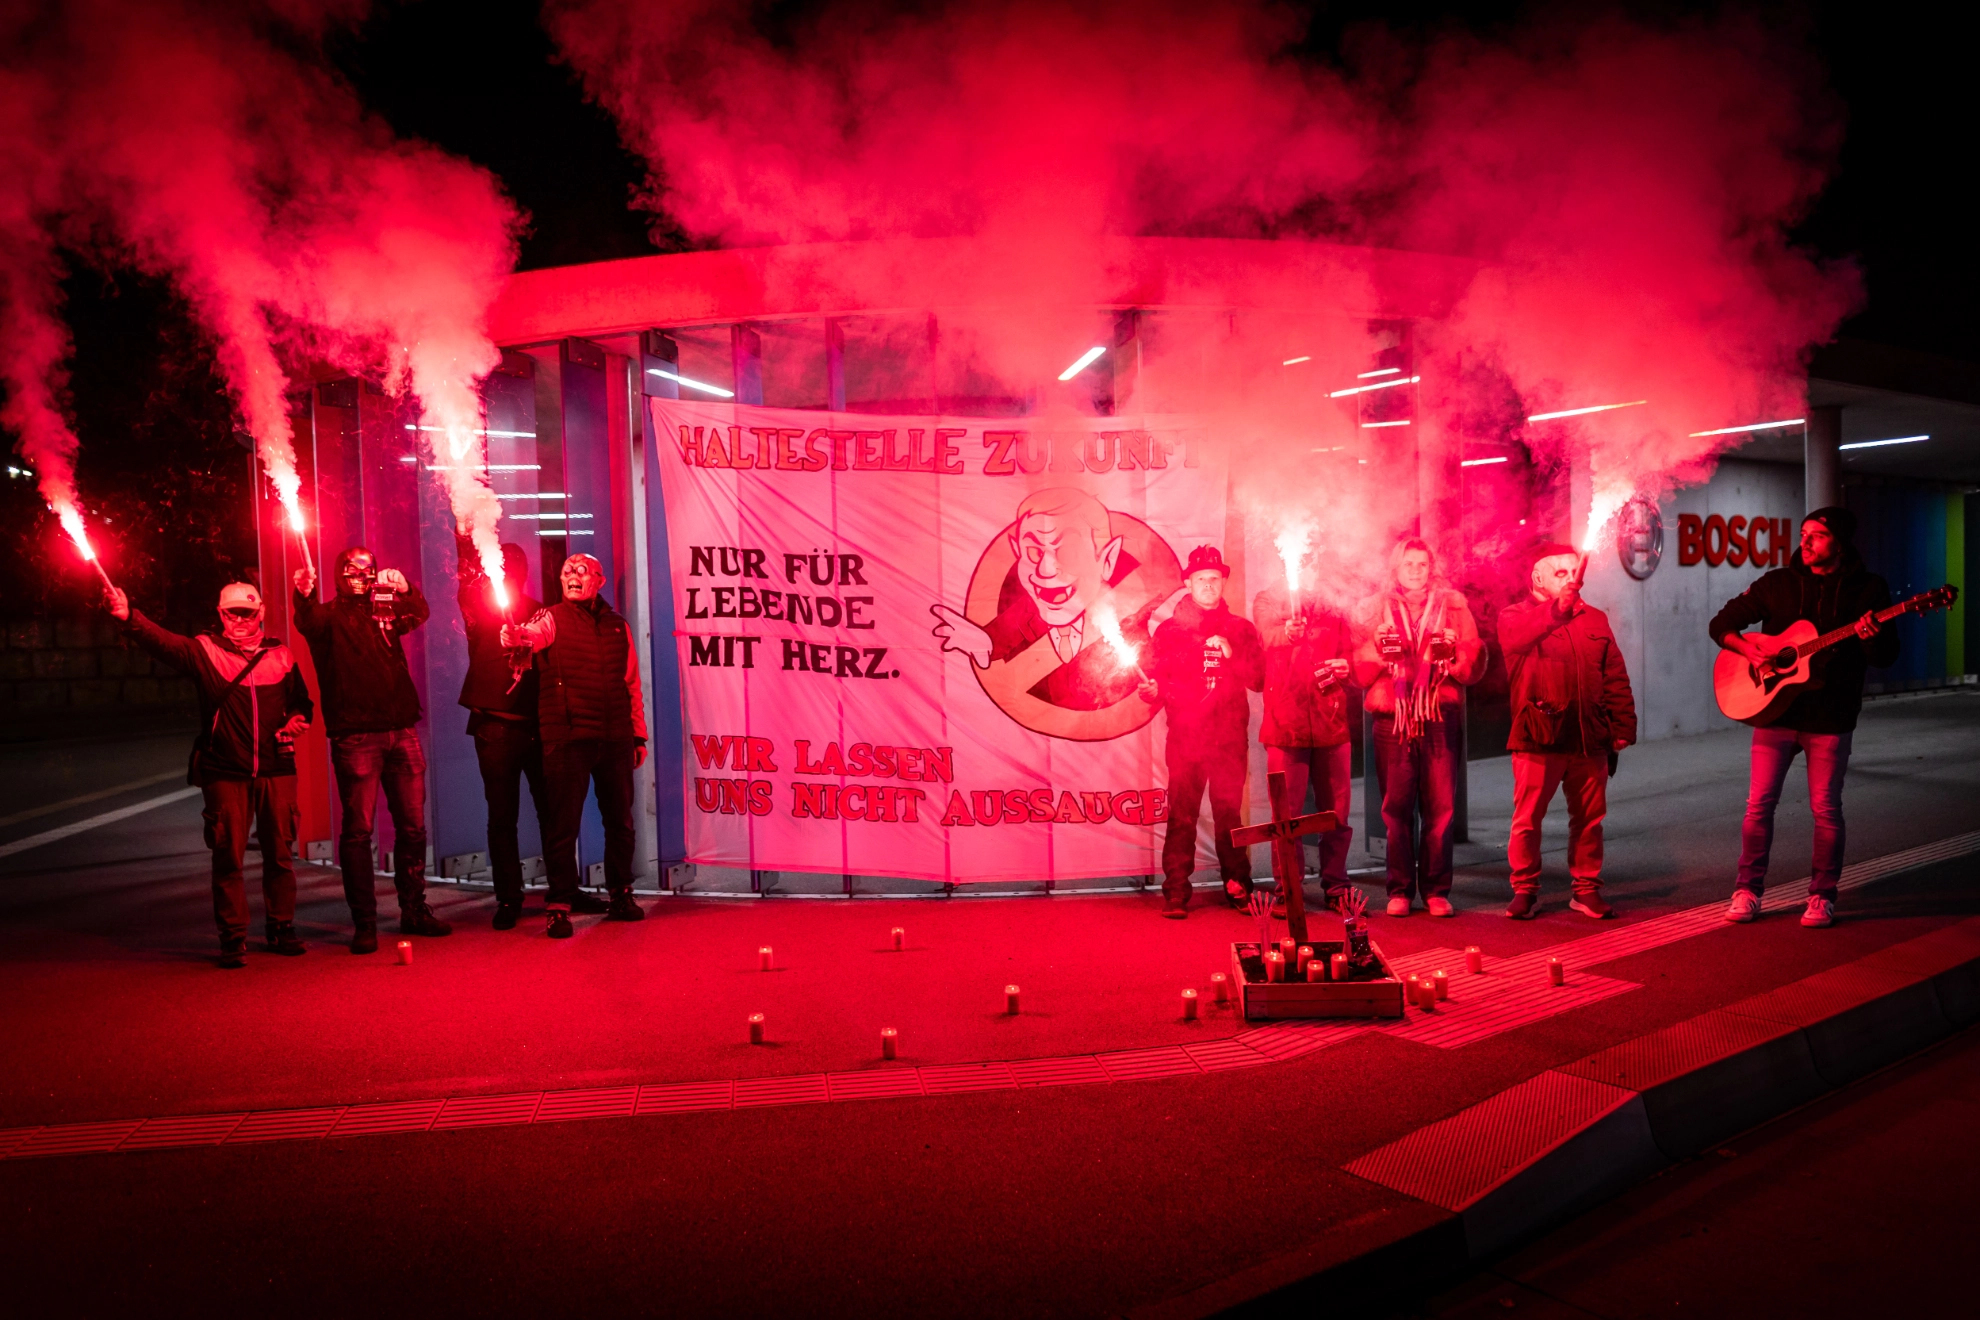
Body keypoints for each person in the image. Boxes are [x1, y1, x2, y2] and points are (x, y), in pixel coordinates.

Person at [105, 581, 314, 968]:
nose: (239, 619)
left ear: (261, 613)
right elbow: (164, 643)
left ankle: (282, 927)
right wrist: (129, 617)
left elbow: (301, 701)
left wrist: (298, 719)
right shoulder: (205, 650)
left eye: (246, 613)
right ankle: (233, 937)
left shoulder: (281, 655)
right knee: (227, 857)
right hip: (224, 770)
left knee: (280, 855)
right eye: (231, 612)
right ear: (220, 614)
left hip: (277, 768)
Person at [1710, 507, 1897, 928]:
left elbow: (1886, 657)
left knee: (1826, 809)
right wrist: (1747, 649)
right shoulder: (1777, 583)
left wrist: (1872, 637)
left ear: (1841, 542)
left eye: (1817, 535)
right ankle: (1747, 890)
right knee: (1758, 805)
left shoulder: (1867, 590)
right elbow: (1722, 623)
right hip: (1774, 713)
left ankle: (1822, 896)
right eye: (1803, 533)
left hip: (1830, 717)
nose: (1805, 542)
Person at [292, 546, 450, 953]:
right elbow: (306, 621)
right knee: (358, 831)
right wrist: (304, 592)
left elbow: (421, 613)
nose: (360, 573)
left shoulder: (386, 610)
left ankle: (414, 910)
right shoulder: (326, 615)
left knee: (413, 828)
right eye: (351, 567)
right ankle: (364, 922)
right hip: (357, 736)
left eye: (368, 567)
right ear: (338, 574)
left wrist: (406, 588)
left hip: (401, 729)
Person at [456, 535, 607, 930]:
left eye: (515, 566)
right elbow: (464, 580)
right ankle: (509, 897)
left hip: (540, 728)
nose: (509, 573)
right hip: (494, 728)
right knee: (502, 815)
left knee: (555, 815)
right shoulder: (478, 606)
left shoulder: (543, 611)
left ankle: (565, 890)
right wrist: (464, 533)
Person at [502, 553, 649, 938]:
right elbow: (528, 639)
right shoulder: (550, 617)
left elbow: (631, 683)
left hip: (614, 737)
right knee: (562, 827)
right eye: (567, 570)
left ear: (599, 580)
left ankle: (621, 893)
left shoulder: (619, 627)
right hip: (567, 738)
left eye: (582, 571)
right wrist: (516, 639)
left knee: (621, 822)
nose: (572, 575)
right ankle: (559, 904)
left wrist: (637, 734)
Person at [1497, 545, 1637, 920]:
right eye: (1560, 573)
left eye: (1574, 572)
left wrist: (1622, 726)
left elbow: (1614, 675)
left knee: (1590, 820)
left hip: (1589, 736)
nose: (1571, 579)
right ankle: (1525, 888)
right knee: (1527, 819)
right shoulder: (1514, 616)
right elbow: (1519, 637)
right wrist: (1557, 610)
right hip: (1538, 736)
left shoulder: (1594, 618)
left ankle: (1586, 888)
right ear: (1537, 579)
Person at [1352, 538, 1485, 917]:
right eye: (1408, 563)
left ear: (1431, 568)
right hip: (1392, 718)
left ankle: (1437, 890)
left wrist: (1456, 651)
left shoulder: (1453, 605)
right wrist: (1377, 648)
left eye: (1422, 564)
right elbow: (1358, 668)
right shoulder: (1373, 609)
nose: (1415, 570)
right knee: (1396, 809)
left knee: (1440, 808)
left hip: (1439, 716)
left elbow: (1474, 661)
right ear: (1395, 568)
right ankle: (1399, 890)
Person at [1138, 545, 1264, 918]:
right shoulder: (1170, 631)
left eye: (1215, 579)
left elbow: (1259, 680)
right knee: (1182, 813)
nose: (1209, 585)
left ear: (1223, 583)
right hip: (1186, 736)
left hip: (1227, 737)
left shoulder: (1241, 629)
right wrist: (1152, 693)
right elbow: (1156, 683)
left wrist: (1231, 654)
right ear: (1188, 584)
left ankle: (1238, 885)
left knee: (1229, 813)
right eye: (1201, 580)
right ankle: (1176, 890)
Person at [1252, 572, 1357, 912]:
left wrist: (1348, 667)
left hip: (1331, 723)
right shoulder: (1268, 600)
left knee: (1336, 814)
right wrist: (1286, 632)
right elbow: (1266, 637)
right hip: (1285, 725)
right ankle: (1288, 889)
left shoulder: (1333, 603)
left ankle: (1337, 887)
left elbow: (1353, 655)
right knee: (1286, 815)